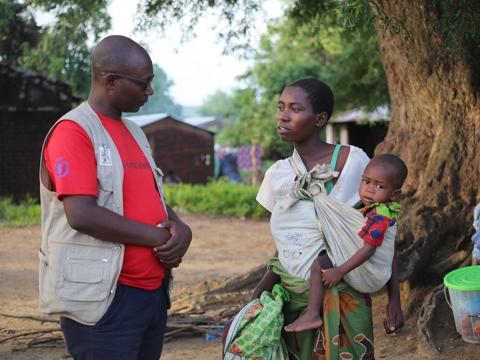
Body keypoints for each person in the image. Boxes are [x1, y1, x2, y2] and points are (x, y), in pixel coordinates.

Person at [38, 35, 192, 359]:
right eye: (144, 83)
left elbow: (152, 195)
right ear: (110, 81)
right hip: (105, 300)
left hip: (151, 294)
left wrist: (180, 229)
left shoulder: (134, 131)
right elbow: (81, 214)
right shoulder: (74, 131)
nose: (150, 91)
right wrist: (158, 238)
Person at [251, 77, 404, 359]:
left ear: (320, 118)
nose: (283, 116)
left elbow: (381, 236)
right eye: (280, 107)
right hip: (293, 295)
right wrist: (257, 293)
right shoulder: (278, 176)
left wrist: (394, 299)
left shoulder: (353, 163)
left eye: (295, 109)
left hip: (343, 293)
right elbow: (286, 244)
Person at [284, 154, 408, 332]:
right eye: (366, 182)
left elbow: (369, 250)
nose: (370, 190)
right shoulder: (372, 209)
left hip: (371, 275)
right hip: (376, 273)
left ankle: (312, 315)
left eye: (379, 186)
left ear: (394, 194)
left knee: (318, 265)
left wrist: (339, 271)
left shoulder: (380, 216)